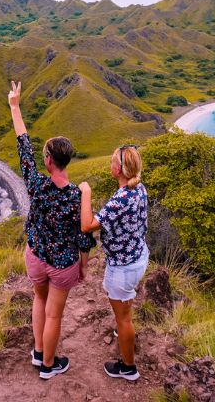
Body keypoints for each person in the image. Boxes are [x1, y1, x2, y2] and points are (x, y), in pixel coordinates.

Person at [8, 80, 94, 380]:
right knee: (54, 313)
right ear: (66, 160)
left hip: (35, 255)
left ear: (48, 161)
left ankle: (38, 352)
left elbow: (23, 146)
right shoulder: (76, 196)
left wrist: (14, 106)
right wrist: (83, 265)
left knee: (38, 300)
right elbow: (84, 236)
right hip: (62, 264)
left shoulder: (36, 185)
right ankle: (48, 365)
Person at [78, 144, 149, 381]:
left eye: (112, 162)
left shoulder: (122, 198)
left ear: (118, 169)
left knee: (124, 317)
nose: (110, 166)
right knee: (122, 310)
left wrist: (85, 193)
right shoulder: (139, 188)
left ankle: (128, 367)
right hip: (136, 255)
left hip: (124, 265)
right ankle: (123, 335)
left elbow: (87, 225)